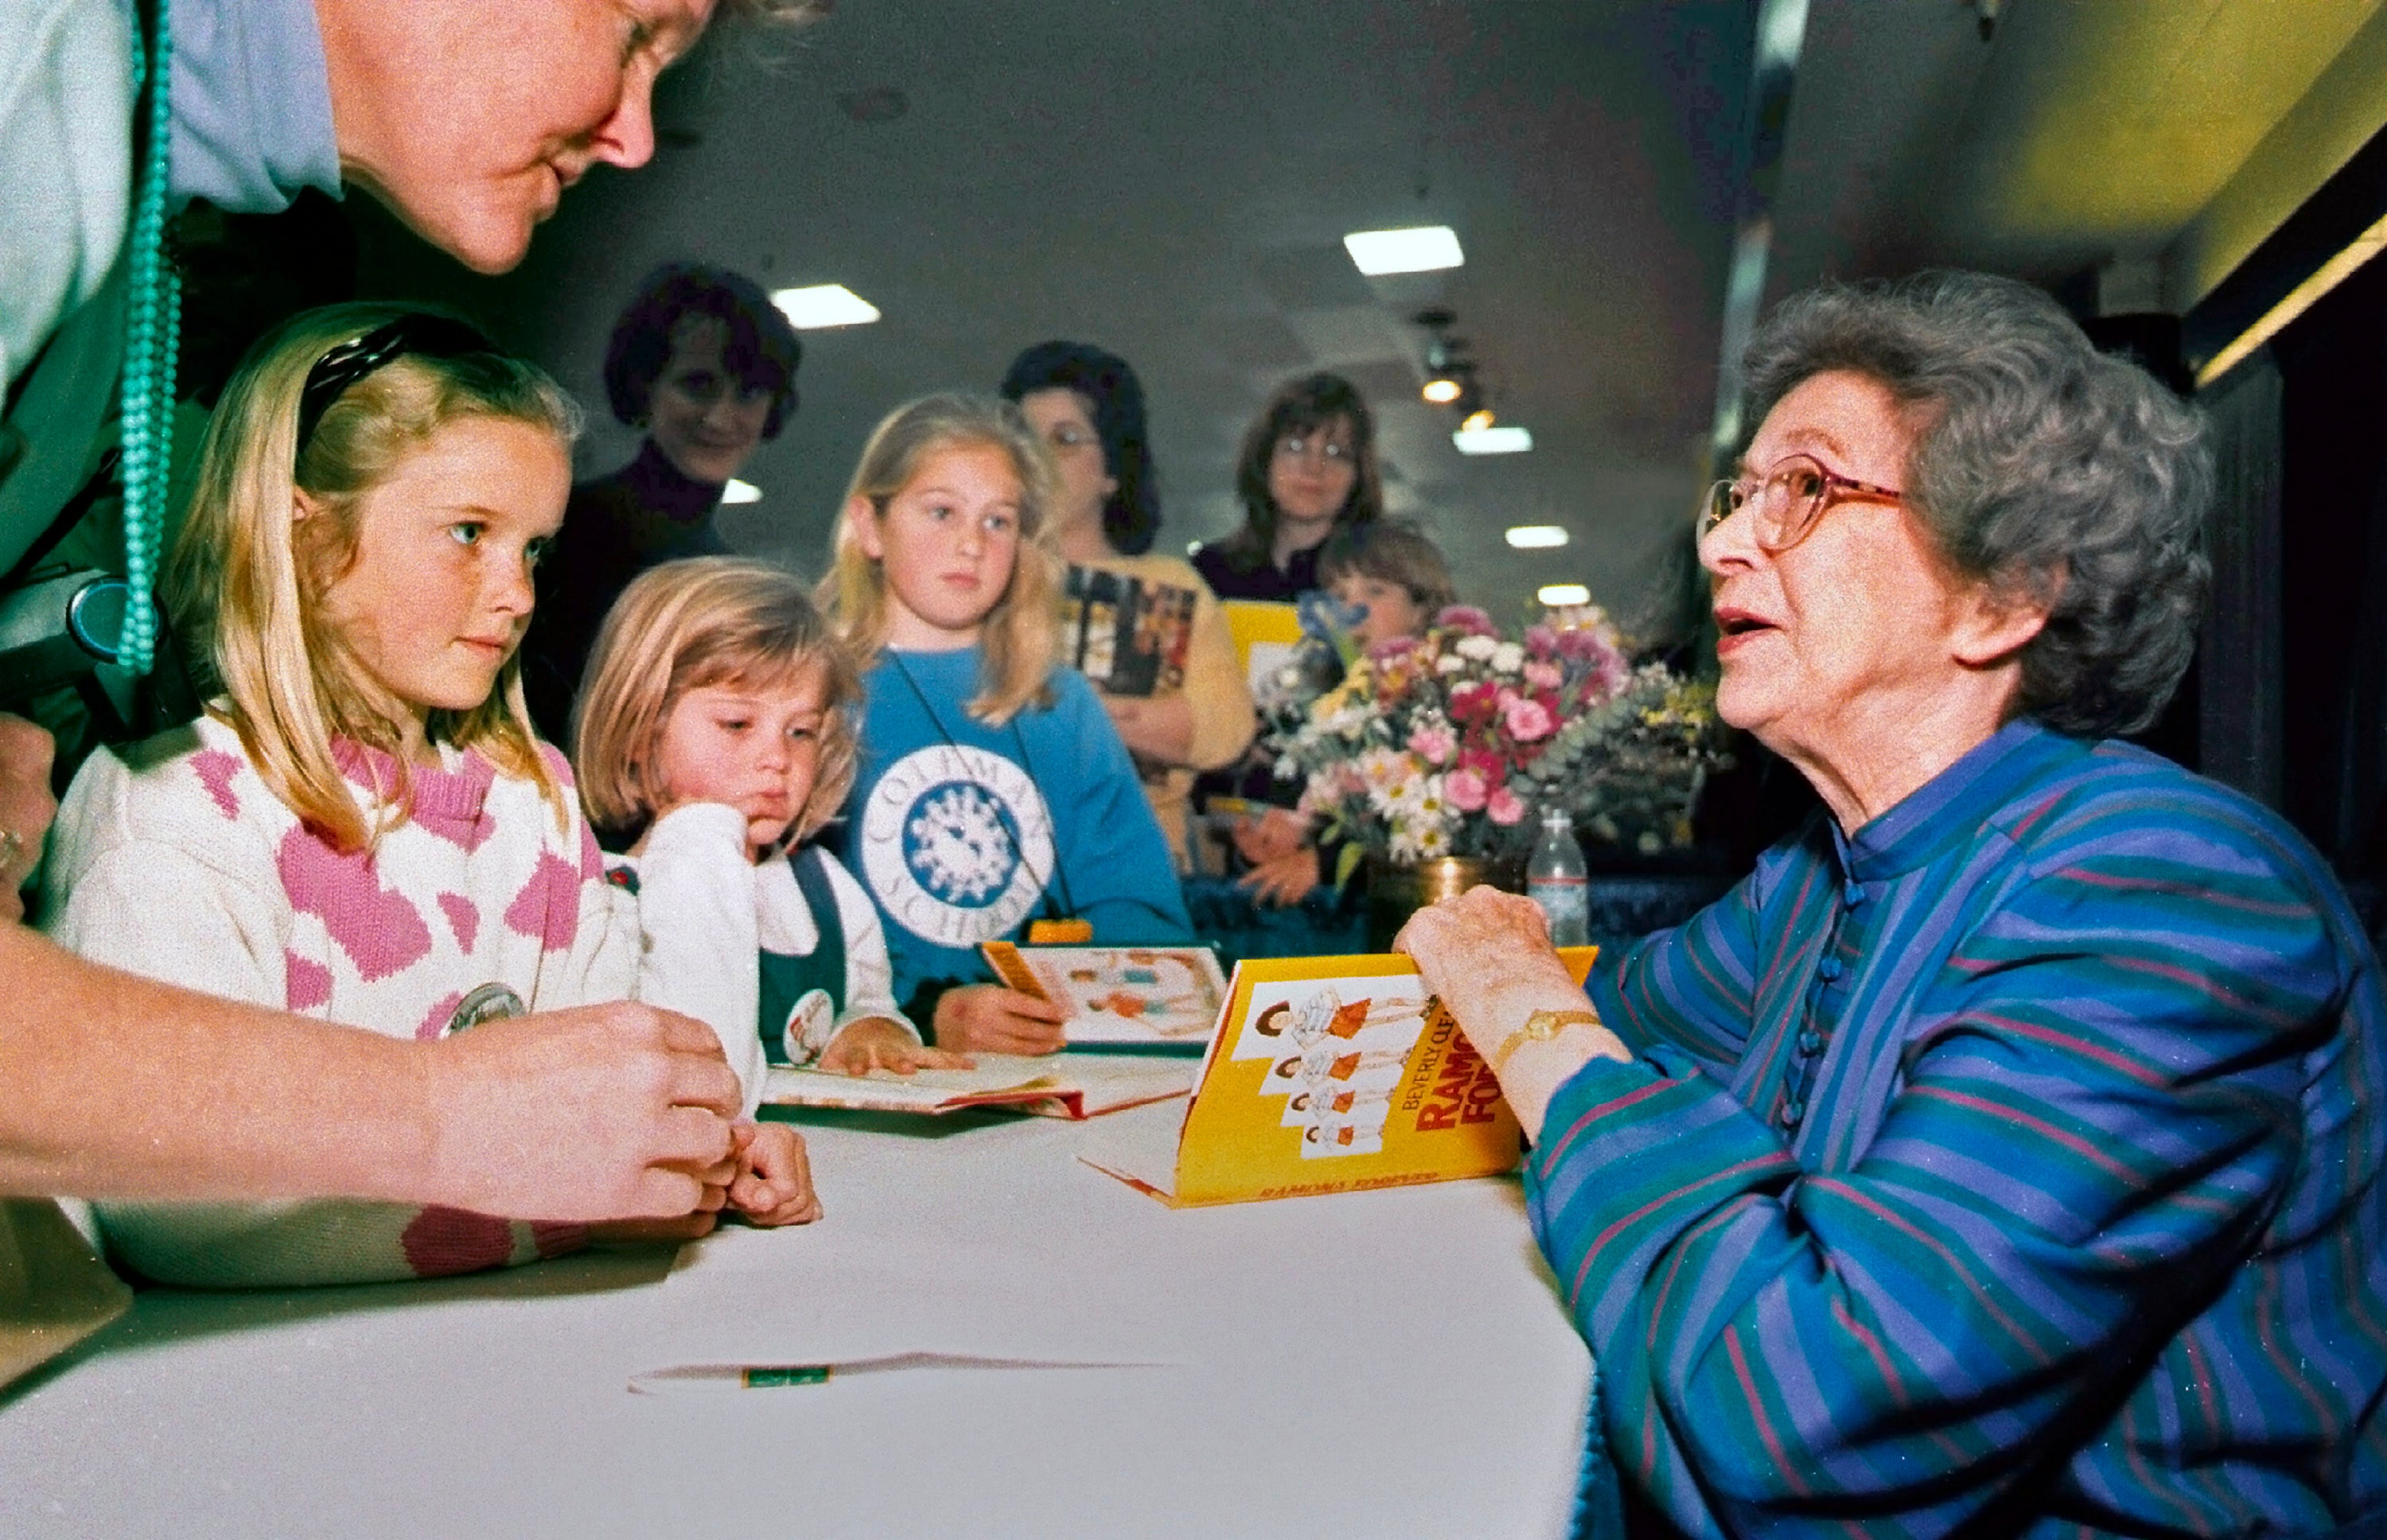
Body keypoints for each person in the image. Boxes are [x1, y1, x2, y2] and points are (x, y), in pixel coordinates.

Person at [1397, 270, 2387, 1534]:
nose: (1719, 544)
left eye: (1805, 489)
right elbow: (1603, 1007)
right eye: (1737, 495)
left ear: (2004, 595)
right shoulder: (1813, 883)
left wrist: (1534, 1021)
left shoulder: (2169, 887)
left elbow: (1810, 1416)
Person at [0, 0, 818, 1228]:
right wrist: (448, 1123)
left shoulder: (120, 187)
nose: (640, 135)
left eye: (530, 549)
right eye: (639, 30)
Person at [42, 306, 818, 1287]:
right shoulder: (172, 805)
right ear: (304, 532)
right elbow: (168, 1203)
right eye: (469, 534)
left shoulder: (535, 802)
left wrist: (704, 1150)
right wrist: (567, 1200)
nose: (519, 592)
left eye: (532, 548)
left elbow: (618, 1085)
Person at [819, 393, 1192, 1055]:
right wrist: (927, 1008)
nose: (971, 543)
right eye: (941, 511)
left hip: (1059, 1061)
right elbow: (782, 934)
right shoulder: (811, 694)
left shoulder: (1061, 703)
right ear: (870, 526)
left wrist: (1072, 990)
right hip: (890, 1066)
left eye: (999, 521)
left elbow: (1138, 908)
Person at [573, 555, 964, 1117]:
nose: (777, 759)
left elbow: (868, 998)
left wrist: (870, 1028)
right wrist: (702, 836)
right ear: (639, 732)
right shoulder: (604, 900)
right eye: (737, 724)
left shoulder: (823, 889)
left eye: (801, 732)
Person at [520, 265, 803, 745]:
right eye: (698, 384)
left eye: (749, 392)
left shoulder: (729, 574)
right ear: (643, 386)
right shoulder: (564, 528)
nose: (721, 417)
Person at [1000, 340, 1255, 870]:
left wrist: (1060, 713)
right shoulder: (977, 575)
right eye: (1025, 439)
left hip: (1143, 867)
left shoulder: (1172, 584)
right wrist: (1134, 720)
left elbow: (1224, 726)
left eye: (1065, 439)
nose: (1039, 458)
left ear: (1111, 470)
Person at [1236, 520, 1458, 906]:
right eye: (1339, 594)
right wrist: (1273, 845)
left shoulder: (1450, 699)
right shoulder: (1313, 702)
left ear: (1422, 609)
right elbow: (1303, 816)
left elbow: (1438, 828)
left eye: (1375, 590)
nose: (1353, 608)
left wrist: (1324, 862)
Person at [1190, 372, 1384, 603]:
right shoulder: (1209, 574)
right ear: (1264, 461)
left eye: (1335, 452)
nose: (1313, 468)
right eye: (1295, 447)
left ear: (1358, 475)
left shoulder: (1381, 582)